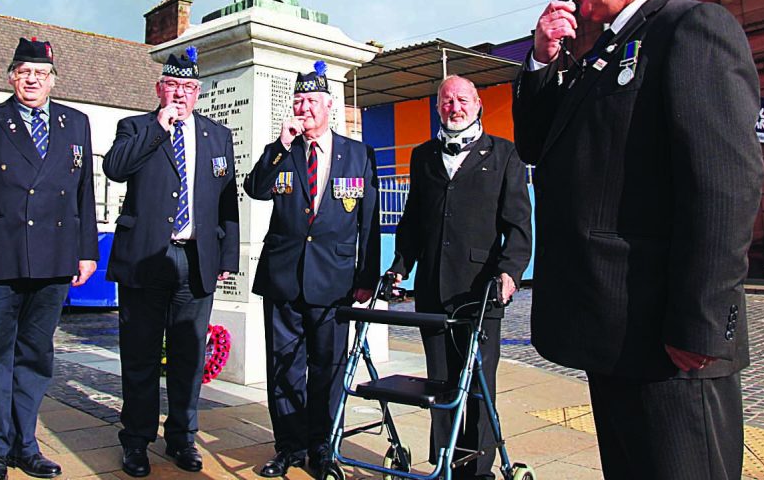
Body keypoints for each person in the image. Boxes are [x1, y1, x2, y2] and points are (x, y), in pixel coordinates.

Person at [513, 0, 763, 479]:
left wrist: (700, 327)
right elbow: (536, 145)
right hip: (615, 338)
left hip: (669, 346)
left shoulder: (690, 29)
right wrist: (546, 61)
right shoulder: (602, 53)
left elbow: (724, 186)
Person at [0, 37, 99, 480]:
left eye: (41, 74)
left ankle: (25, 444)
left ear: (53, 80)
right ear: (12, 77)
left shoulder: (76, 123)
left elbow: (85, 193)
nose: (33, 80)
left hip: (53, 259)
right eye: (25, 73)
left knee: (35, 356)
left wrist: (87, 251)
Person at [102, 47, 239, 477]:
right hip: (146, 260)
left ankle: (182, 437)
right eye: (173, 86)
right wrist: (158, 130)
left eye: (188, 87)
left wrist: (227, 256)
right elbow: (115, 169)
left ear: (198, 91)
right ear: (160, 89)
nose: (180, 94)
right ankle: (137, 440)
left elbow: (227, 200)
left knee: (188, 355)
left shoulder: (218, 135)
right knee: (141, 356)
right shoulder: (136, 127)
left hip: (196, 260)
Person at [388, 75, 531, 479]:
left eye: (462, 99)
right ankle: (446, 463)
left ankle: (478, 468)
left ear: (478, 104)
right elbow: (413, 220)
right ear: (438, 107)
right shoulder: (423, 156)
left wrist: (510, 272)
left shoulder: (504, 154)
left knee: (480, 384)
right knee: (441, 382)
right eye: (447, 101)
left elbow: (519, 224)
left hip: (481, 291)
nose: (455, 107)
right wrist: (400, 266)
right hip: (433, 289)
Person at [245, 61, 380, 478]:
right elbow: (255, 189)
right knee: (283, 366)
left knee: (327, 368)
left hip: (334, 282)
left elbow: (369, 221)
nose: (303, 109)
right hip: (283, 278)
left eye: (310, 102)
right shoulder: (283, 151)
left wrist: (366, 277)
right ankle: (288, 446)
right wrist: (278, 147)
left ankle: (324, 447)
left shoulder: (358, 155)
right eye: (298, 101)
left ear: (328, 107)